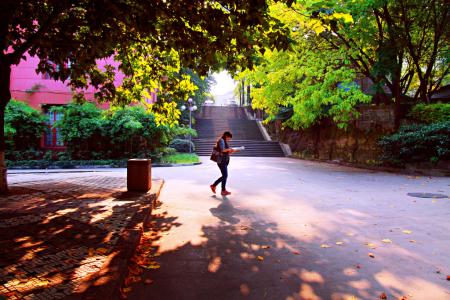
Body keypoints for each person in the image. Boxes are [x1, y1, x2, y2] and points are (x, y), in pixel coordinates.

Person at [210, 131, 239, 196]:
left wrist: (232, 151)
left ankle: (223, 191)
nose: (229, 139)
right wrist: (230, 149)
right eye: (229, 138)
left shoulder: (224, 141)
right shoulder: (221, 141)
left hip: (224, 161)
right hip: (221, 161)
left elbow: (225, 152)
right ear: (226, 136)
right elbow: (223, 150)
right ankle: (213, 185)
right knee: (225, 176)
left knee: (225, 176)